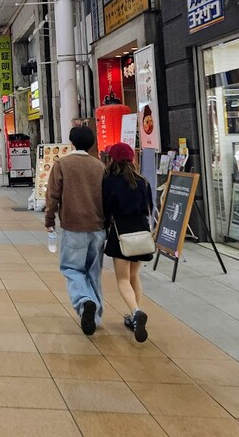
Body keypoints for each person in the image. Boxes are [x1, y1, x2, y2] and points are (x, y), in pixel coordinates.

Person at [44, 125, 106, 336]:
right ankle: (95, 316)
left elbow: (53, 195)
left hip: (73, 227)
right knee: (94, 272)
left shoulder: (63, 164)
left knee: (72, 269)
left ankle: (84, 301)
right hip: (98, 227)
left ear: (71, 142)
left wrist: (49, 219)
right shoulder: (99, 166)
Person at [103, 142, 153, 343]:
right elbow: (148, 207)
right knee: (134, 275)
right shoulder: (143, 181)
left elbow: (106, 208)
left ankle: (135, 311)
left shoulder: (109, 180)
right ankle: (135, 316)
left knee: (122, 279)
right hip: (141, 230)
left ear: (112, 159)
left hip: (121, 231)